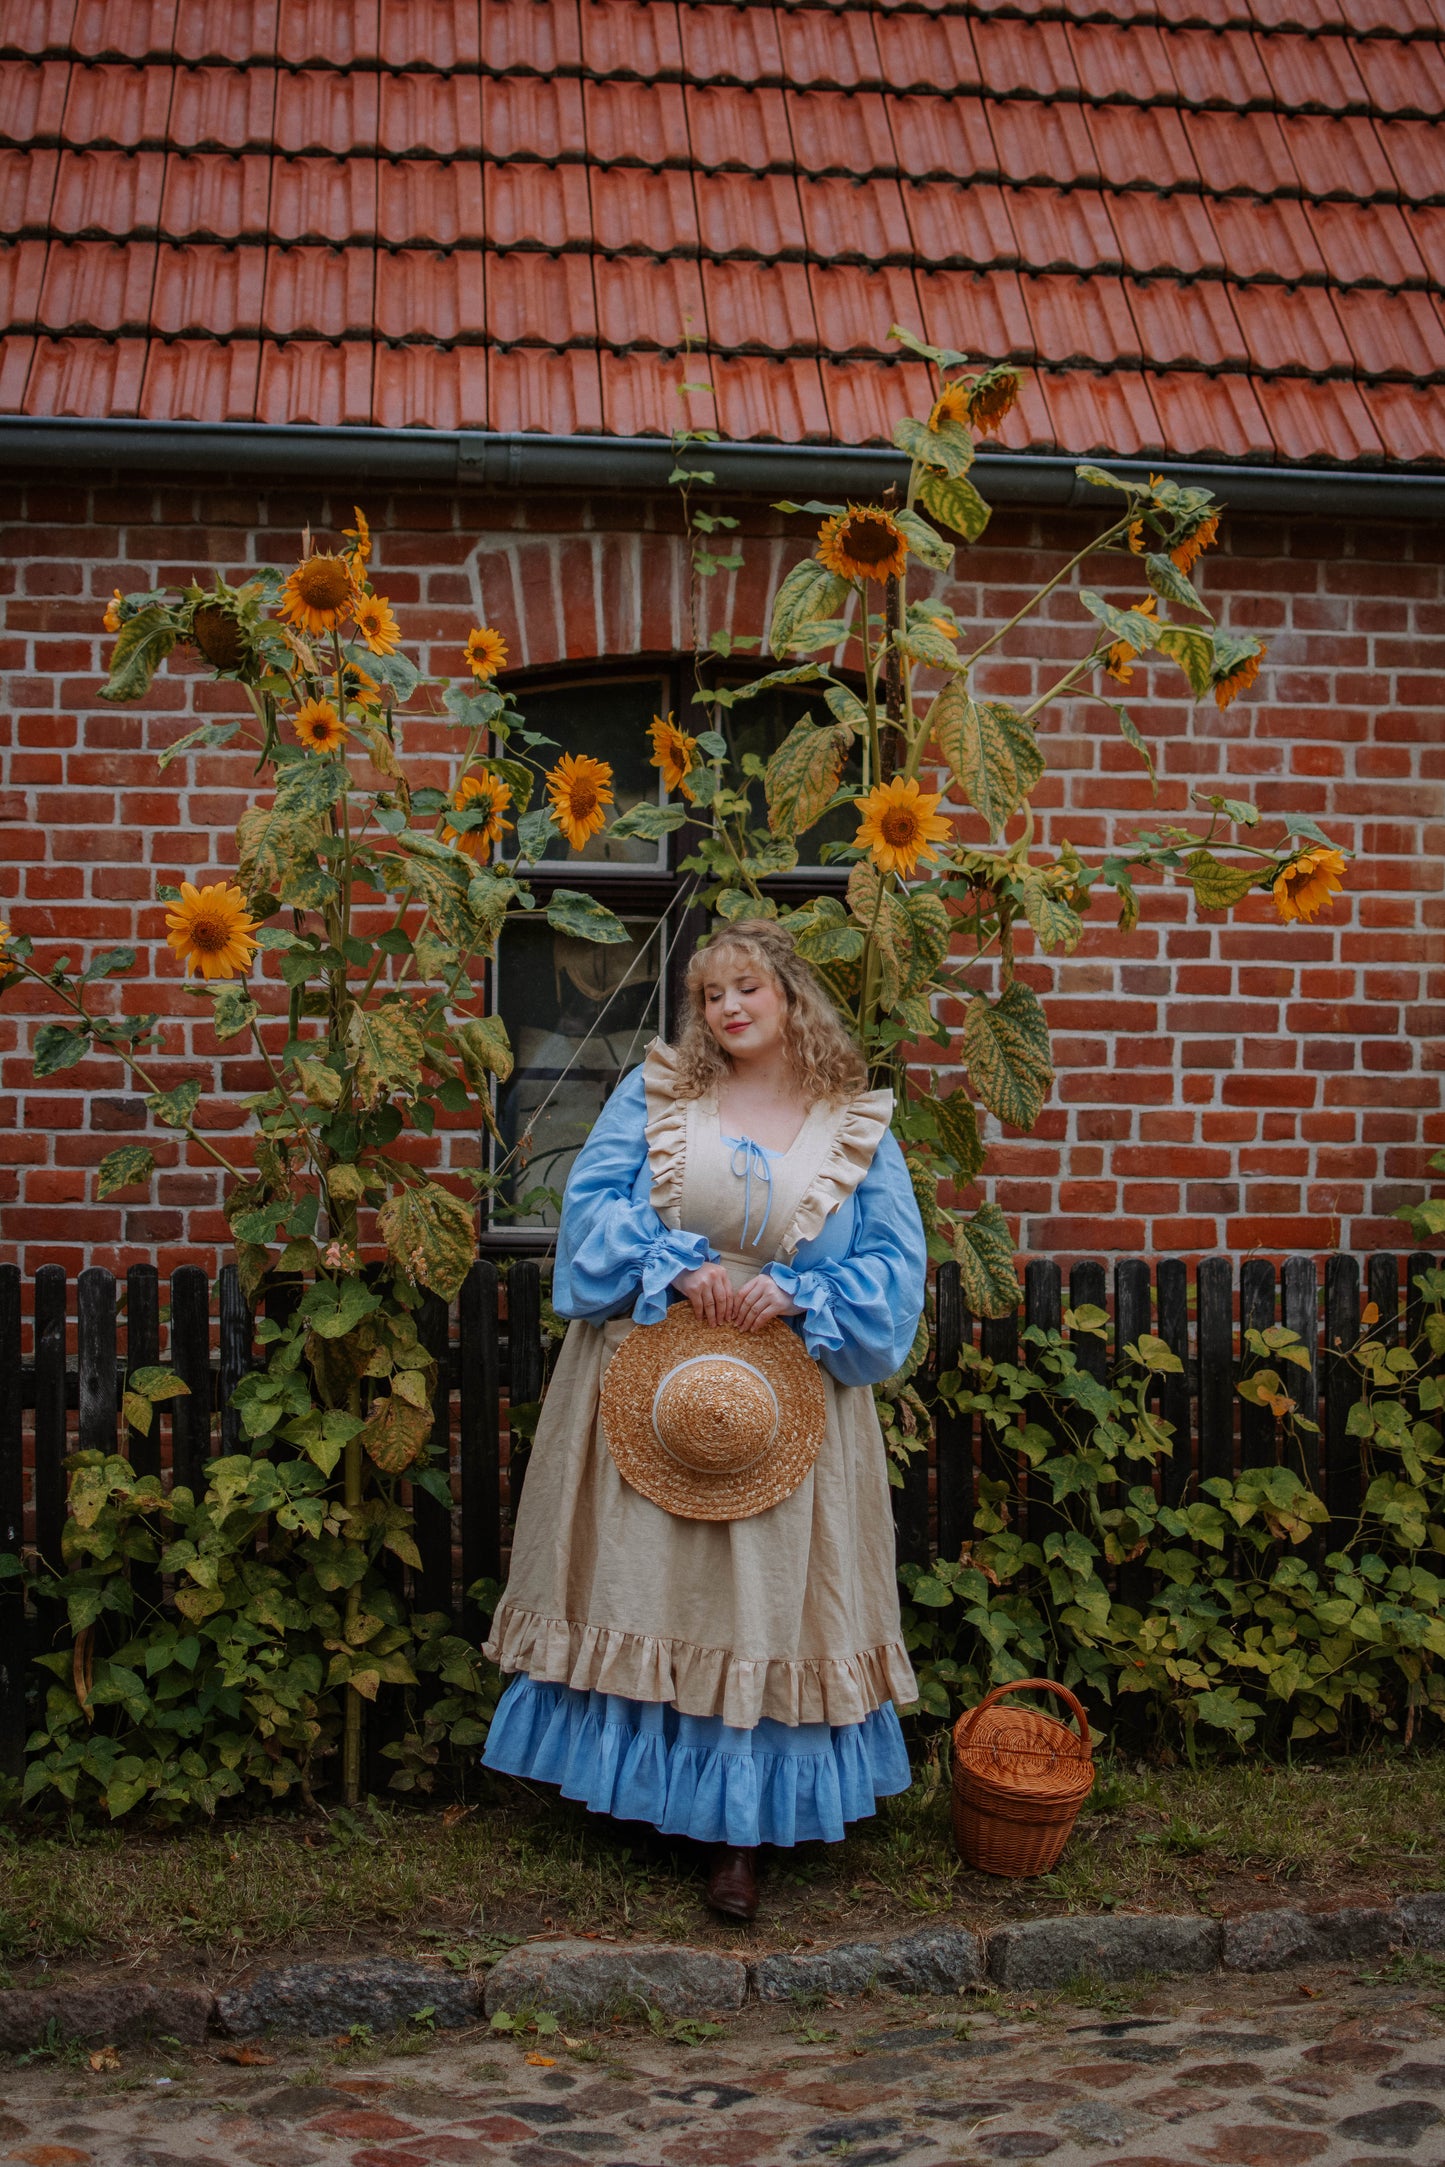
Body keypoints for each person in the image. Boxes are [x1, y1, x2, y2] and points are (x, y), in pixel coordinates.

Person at [481, 918, 928, 1920]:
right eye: (711, 995)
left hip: (785, 1398)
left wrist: (799, 1294)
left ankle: (739, 1833)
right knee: (654, 1582)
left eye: (746, 990)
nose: (726, 1008)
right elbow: (590, 1214)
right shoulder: (659, 1096)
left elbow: (896, 1272)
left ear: (789, 997)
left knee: (760, 1605)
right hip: (652, 1372)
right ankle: (644, 1799)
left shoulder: (850, 1122)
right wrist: (674, 1263)